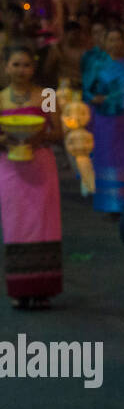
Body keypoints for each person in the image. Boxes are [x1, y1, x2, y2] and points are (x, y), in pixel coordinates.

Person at [0, 44, 61, 308]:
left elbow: (59, 132)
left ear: (33, 68)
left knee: (44, 224)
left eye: (26, 65)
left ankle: (43, 289)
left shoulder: (47, 95)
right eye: (16, 64)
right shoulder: (0, 97)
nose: (21, 70)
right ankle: (20, 289)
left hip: (41, 164)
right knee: (16, 225)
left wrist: (41, 137)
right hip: (10, 167)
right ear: (6, 67)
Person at [85, 26, 124, 217]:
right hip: (104, 121)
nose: (115, 44)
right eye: (111, 40)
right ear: (105, 43)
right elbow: (87, 91)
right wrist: (94, 98)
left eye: (119, 39)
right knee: (106, 159)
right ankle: (110, 203)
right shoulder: (96, 66)